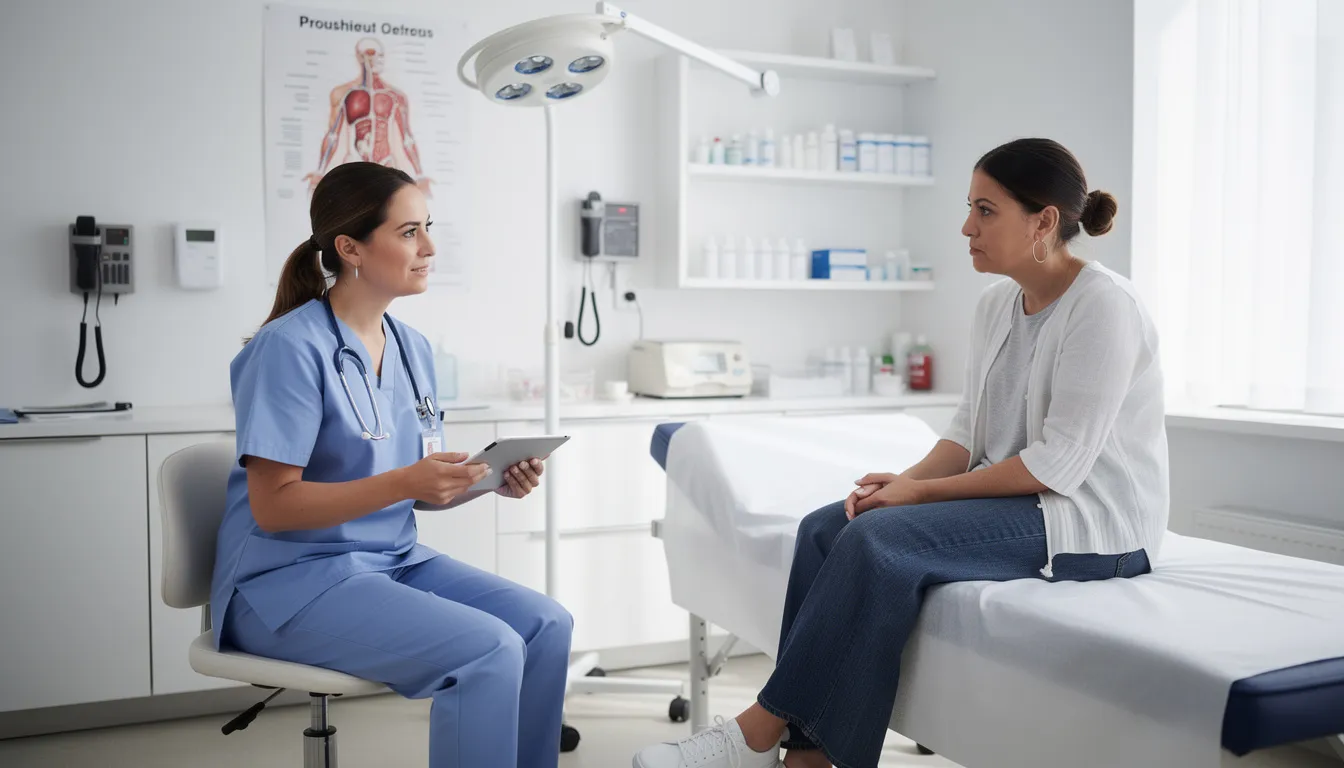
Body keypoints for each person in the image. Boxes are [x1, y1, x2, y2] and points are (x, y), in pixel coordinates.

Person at [633, 138, 1168, 768]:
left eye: (987, 211)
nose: (966, 227)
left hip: (1086, 518)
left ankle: (758, 729)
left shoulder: (1105, 307)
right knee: (829, 525)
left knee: (876, 541)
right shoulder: (997, 304)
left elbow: (1058, 466)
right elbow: (968, 431)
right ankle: (810, 757)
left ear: (1044, 220)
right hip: (1022, 500)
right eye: (970, 208)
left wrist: (919, 495)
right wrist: (899, 484)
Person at [212, 161, 572, 768]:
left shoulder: (412, 348)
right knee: (487, 650)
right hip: (287, 584)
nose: (430, 247)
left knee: (544, 625)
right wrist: (407, 481)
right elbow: (274, 506)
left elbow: (422, 491)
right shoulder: (288, 349)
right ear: (350, 247)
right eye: (409, 232)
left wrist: (486, 482)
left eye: (427, 228)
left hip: (392, 561)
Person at [304, 38, 433, 198]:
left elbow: (407, 137)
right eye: (369, 54)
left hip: (386, 164)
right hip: (355, 163)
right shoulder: (343, 94)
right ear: (359, 57)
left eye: (379, 55)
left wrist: (419, 174)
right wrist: (320, 170)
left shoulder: (396, 96)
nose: (375, 60)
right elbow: (333, 135)